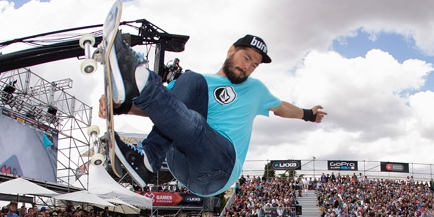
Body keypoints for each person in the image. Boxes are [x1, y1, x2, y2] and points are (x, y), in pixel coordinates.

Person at [100, 33, 326, 196]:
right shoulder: (200, 83)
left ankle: (140, 80)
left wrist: (307, 114)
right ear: (231, 51)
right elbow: (162, 110)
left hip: (219, 168)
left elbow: (281, 107)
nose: (248, 67)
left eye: (254, 65)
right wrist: (118, 107)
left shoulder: (256, 89)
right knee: (190, 80)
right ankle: (148, 161)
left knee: (196, 123)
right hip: (180, 162)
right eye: (246, 58)